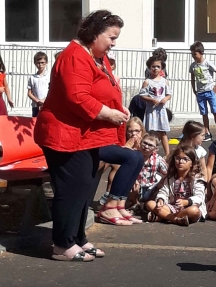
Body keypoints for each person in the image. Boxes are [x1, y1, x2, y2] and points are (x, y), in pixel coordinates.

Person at [34, 10, 144, 261]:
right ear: (94, 34)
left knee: (85, 185)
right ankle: (62, 244)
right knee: (73, 187)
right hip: (64, 136)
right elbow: (78, 97)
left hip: (82, 136)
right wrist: (109, 114)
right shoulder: (74, 56)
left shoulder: (95, 56)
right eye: (111, 37)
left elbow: (103, 90)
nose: (114, 43)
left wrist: (118, 108)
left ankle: (77, 238)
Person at [146, 145, 206, 226]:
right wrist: (161, 200)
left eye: (185, 159)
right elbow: (163, 192)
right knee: (150, 204)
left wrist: (186, 202)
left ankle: (162, 217)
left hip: (189, 208)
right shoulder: (170, 177)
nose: (180, 161)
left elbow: (199, 197)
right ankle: (175, 219)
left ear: (191, 163)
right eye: (178, 158)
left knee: (194, 210)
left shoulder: (197, 178)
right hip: (173, 207)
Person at [98, 116, 146, 213]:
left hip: (140, 183)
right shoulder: (121, 142)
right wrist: (127, 147)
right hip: (120, 183)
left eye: (137, 131)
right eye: (130, 131)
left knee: (135, 158)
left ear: (142, 131)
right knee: (115, 164)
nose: (134, 134)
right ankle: (109, 198)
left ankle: (120, 204)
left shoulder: (146, 143)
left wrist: (138, 148)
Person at [139, 56, 172, 156]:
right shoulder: (147, 82)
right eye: (153, 66)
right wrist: (151, 99)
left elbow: (169, 94)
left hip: (161, 111)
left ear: (161, 68)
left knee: (163, 132)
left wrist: (165, 99)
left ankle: (167, 154)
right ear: (149, 67)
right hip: (151, 111)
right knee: (149, 132)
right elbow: (141, 95)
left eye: (158, 66)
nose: (155, 68)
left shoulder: (164, 81)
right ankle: (145, 152)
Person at [189, 41, 216, 141]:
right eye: (192, 54)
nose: (193, 56)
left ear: (201, 53)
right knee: (204, 113)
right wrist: (194, 89)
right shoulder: (193, 66)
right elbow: (192, 78)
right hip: (200, 92)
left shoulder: (207, 63)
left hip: (209, 91)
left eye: (195, 54)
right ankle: (207, 132)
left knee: (215, 111)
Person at [128, 133, 168, 209]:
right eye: (145, 143)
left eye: (150, 145)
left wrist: (161, 182)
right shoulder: (133, 155)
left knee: (163, 187)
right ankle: (135, 203)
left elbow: (168, 173)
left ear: (156, 149)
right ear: (140, 142)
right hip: (136, 186)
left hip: (151, 188)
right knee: (133, 186)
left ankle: (149, 205)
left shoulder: (158, 159)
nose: (146, 147)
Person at [27, 51, 50, 117]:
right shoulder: (32, 78)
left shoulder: (49, 76)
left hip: (47, 105)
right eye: (38, 63)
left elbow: (52, 91)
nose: (40, 65)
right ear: (35, 63)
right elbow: (29, 93)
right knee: (35, 123)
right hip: (36, 106)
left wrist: (43, 101)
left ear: (46, 63)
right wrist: (37, 101)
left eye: (42, 62)